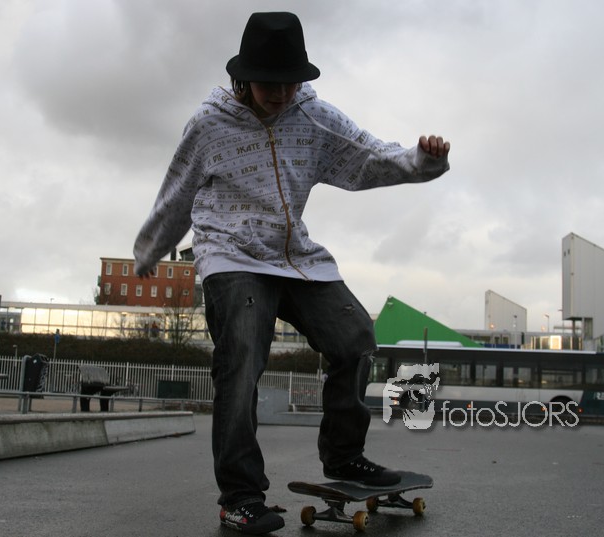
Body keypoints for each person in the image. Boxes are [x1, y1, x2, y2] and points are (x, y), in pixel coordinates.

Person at [133, 11, 450, 534]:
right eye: (268, 84)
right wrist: (150, 249)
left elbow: (369, 157)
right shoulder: (208, 124)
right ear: (243, 79)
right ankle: (240, 495)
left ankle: (345, 457)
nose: (280, 94)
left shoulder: (314, 117)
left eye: (289, 84)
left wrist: (423, 159)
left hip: (294, 257)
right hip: (231, 255)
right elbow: (178, 191)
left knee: (355, 337)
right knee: (242, 357)